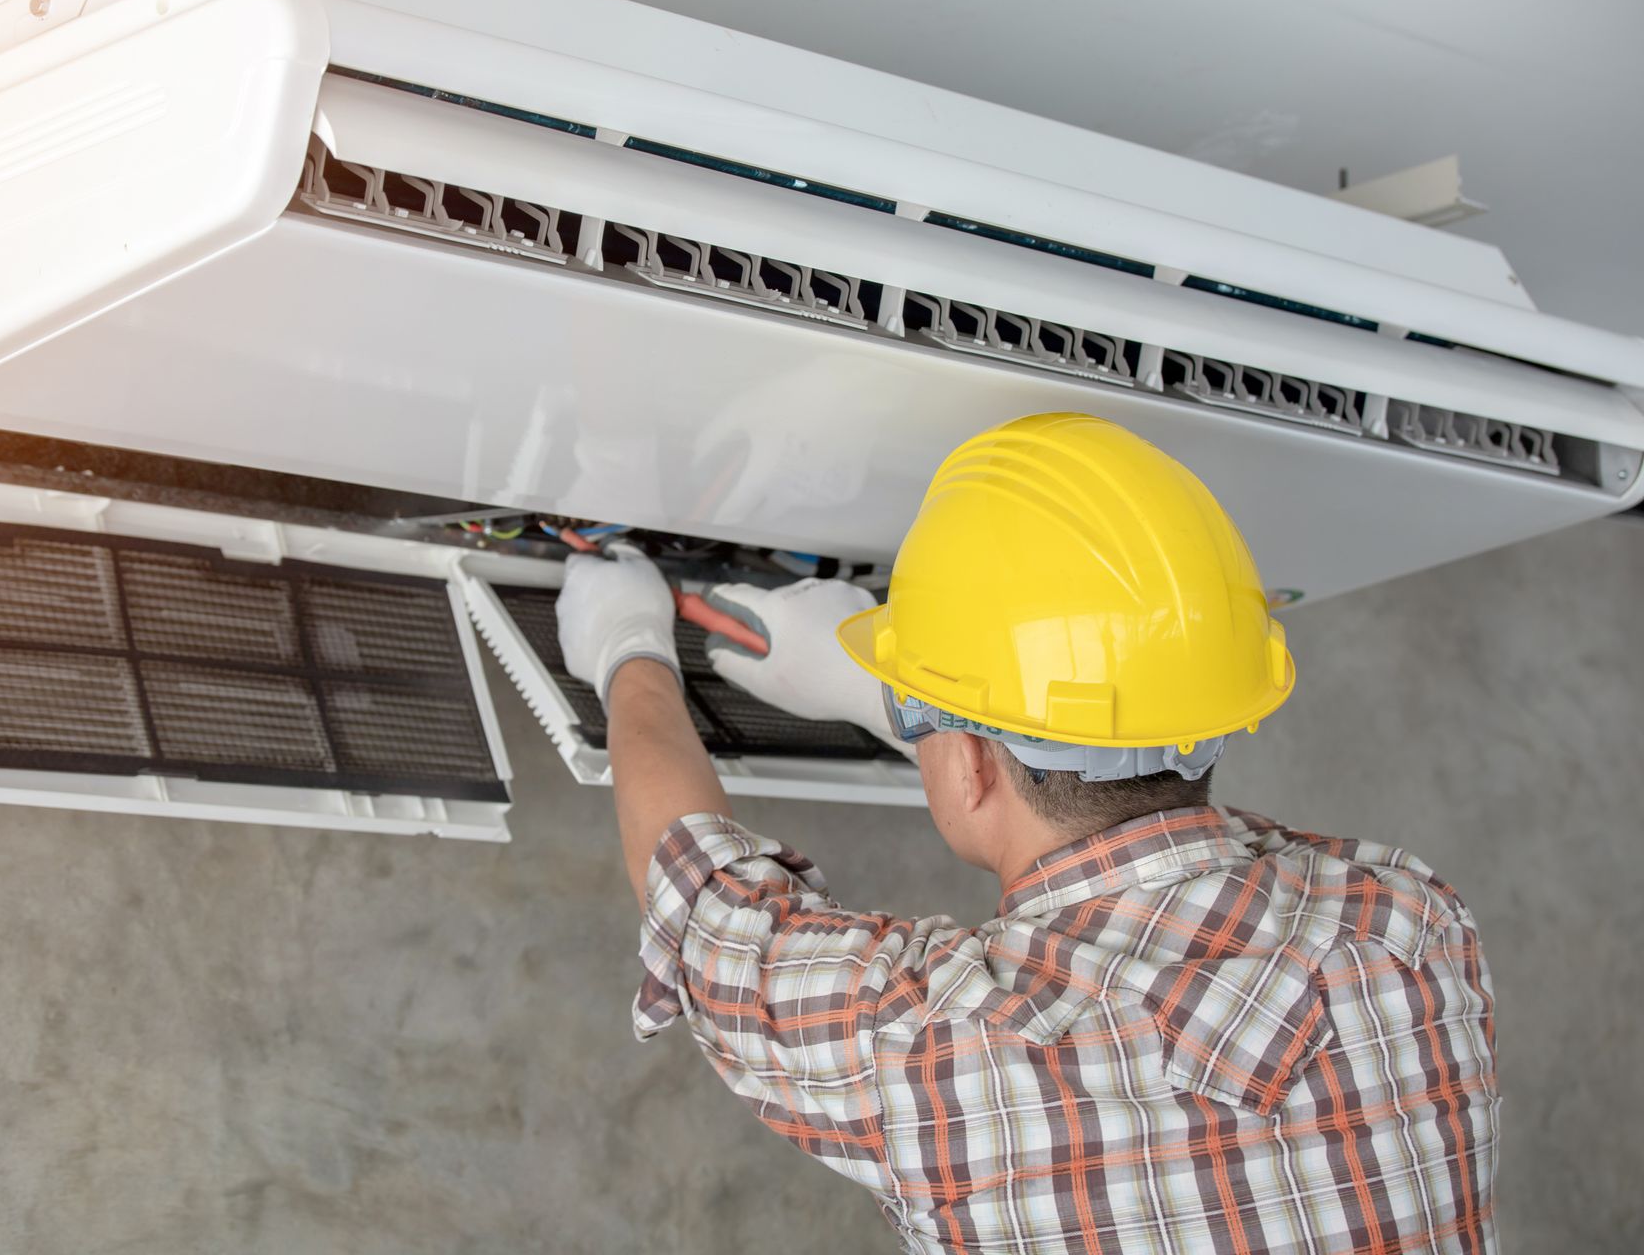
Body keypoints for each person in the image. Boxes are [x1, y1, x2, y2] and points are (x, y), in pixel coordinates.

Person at [555, 413, 1498, 1253]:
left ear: (969, 766)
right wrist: (937, 717)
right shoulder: (1411, 930)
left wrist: (628, 646)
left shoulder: (939, 1055)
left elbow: (706, 909)